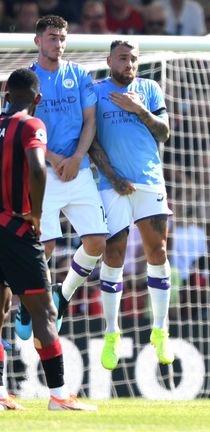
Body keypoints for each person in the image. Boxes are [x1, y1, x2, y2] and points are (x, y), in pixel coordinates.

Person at [0, 68, 95, 411]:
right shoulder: (31, 125)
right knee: (44, 311)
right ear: (37, 100)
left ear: (6, 96)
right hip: (17, 230)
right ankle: (58, 395)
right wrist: (36, 214)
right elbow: (38, 168)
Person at [16, 15, 109, 341]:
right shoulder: (27, 80)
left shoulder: (79, 74)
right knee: (47, 245)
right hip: (43, 170)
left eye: (62, 38)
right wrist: (56, 159)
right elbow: (20, 127)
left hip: (78, 169)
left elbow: (90, 123)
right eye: (52, 37)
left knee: (97, 242)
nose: (58, 43)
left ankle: (64, 293)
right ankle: (28, 303)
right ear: (38, 40)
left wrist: (77, 158)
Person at [87, 40, 174, 370]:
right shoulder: (96, 91)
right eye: (123, 58)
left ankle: (160, 330)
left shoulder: (149, 89)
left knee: (159, 252)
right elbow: (91, 140)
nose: (129, 63)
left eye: (134, 58)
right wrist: (112, 176)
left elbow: (164, 133)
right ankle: (112, 334)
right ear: (109, 59)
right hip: (112, 185)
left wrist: (140, 109)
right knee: (114, 255)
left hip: (150, 180)